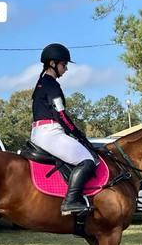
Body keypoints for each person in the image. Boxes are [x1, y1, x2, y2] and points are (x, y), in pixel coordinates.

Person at [31, 43, 98, 215]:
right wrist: (78, 134)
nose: (66, 69)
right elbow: (61, 116)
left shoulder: (41, 83)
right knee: (87, 160)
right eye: (64, 64)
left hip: (40, 131)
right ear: (52, 63)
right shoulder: (52, 85)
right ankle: (71, 201)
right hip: (50, 132)